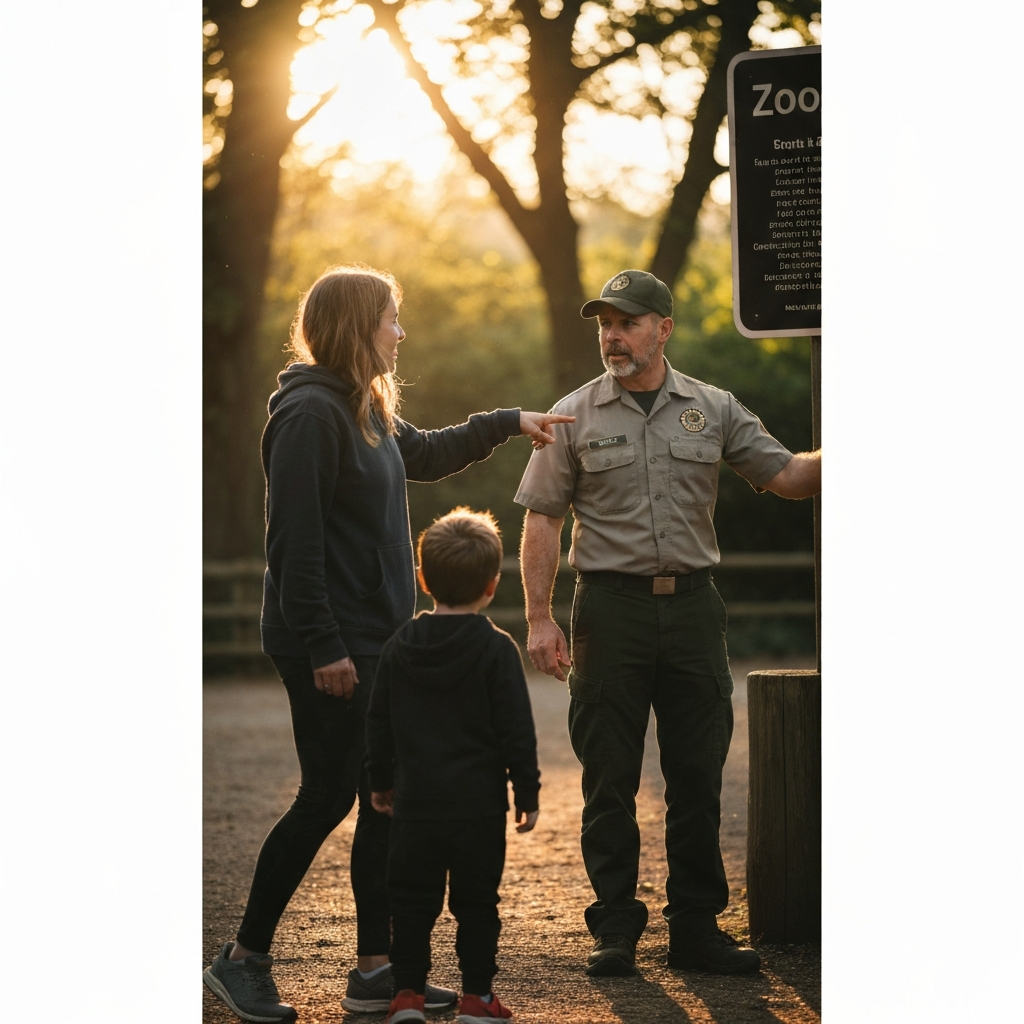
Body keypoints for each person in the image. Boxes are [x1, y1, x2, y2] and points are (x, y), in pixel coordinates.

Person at [203, 265, 572, 1024]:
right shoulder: (309, 416)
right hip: (327, 638)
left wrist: (508, 421)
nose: (401, 334)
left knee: (384, 796)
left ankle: (375, 968)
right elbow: (293, 548)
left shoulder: (363, 404)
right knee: (329, 791)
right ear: (355, 325)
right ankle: (241, 959)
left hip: (372, 634)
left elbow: (428, 454)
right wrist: (325, 645)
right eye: (391, 320)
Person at [514, 269, 821, 978]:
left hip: (692, 608)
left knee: (697, 774)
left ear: (664, 329)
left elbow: (790, 477)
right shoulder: (573, 415)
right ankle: (614, 927)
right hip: (607, 613)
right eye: (604, 324)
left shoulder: (712, 410)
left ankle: (696, 929)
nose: (612, 336)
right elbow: (542, 517)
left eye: (626, 322)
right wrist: (539, 618)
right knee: (609, 776)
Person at [366, 508, 540, 1024]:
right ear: (492, 585)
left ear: (421, 580)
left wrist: (380, 782)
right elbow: (517, 731)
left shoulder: (398, 647)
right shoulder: (496, 649)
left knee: (412, 905)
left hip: (415, 806)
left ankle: (407, 997)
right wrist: (526, 794)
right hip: (478, 809)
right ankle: (476, 999)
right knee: (477, 905)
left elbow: (379, 721)